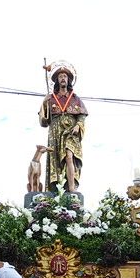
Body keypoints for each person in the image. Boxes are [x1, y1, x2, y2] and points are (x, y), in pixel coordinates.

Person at [38, 62, 88, 193]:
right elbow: (44, 121)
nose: (63, 78)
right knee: (55, 160)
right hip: (55, 132)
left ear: (69, 79)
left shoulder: (75, 99)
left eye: (65, 76)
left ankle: (71, 188)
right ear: (56, 80)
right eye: (60, 76)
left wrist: (78, 125)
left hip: (71, 131)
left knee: (69, 156)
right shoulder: (51, 98)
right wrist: (44, 103)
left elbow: (82, 116)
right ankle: (57, 188)